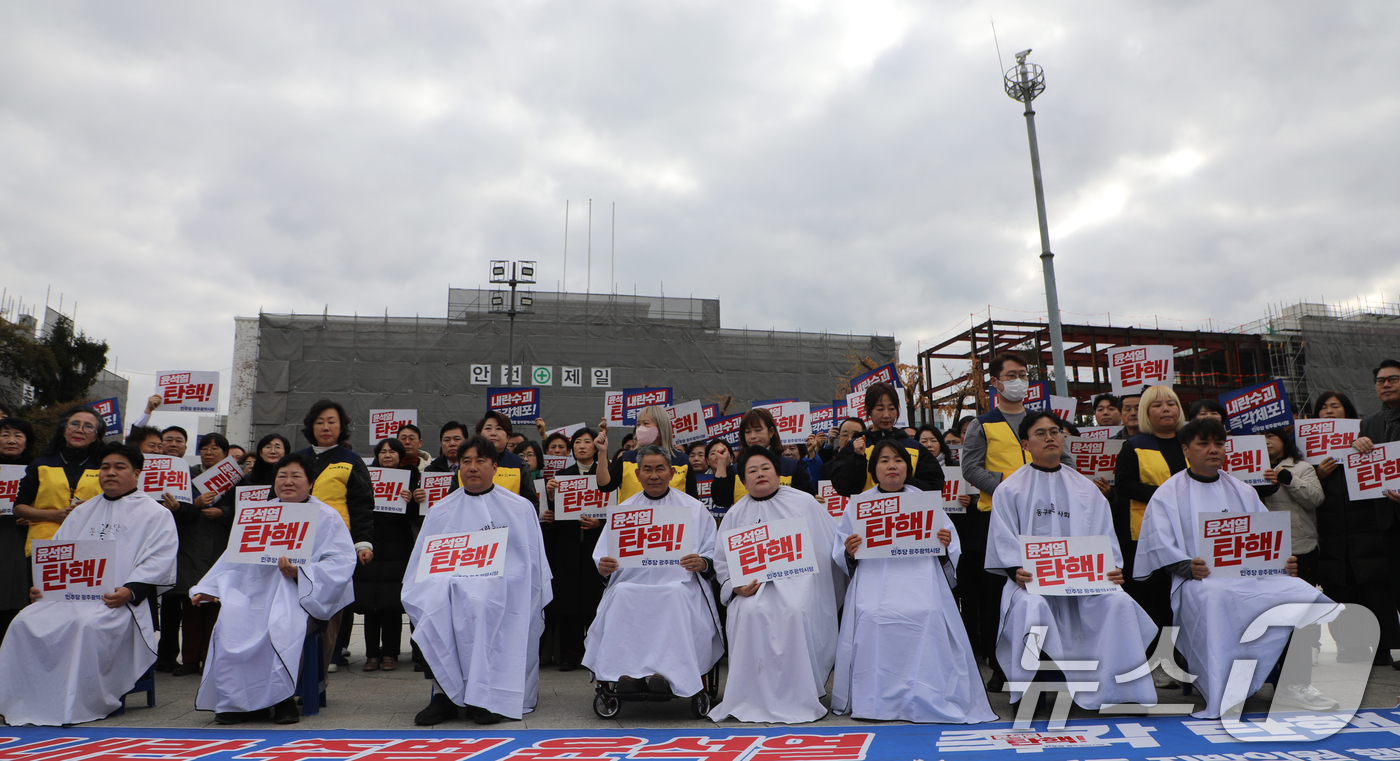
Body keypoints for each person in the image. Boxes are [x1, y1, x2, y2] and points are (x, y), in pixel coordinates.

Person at [1133, 418, 1341, 717]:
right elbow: (1158, 544)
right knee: (1217, 598)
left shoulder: (1243, 490)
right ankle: (1222, 686)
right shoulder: (1168, 493)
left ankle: (1294, 685)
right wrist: (1186, 565)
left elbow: (1264, 537)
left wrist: (1284, 560)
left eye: (1219, 443)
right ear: (1186, 450)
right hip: (1201, 582)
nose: (1213, 449)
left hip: (1253, 576)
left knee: (1299, 594)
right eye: (1203, 443)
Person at [985, 411, 1157, 711]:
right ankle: (1030, 694)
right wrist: (1016, 569)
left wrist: (1112, 568)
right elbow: (1003, 540)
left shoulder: (1087, 489)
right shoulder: (1009, 489)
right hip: (1031, 586)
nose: (1050, 437)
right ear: (1025, 443)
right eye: (1040, 433)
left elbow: (1104, 537)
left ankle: (1118, 693)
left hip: (1082, 586)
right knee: (1031, 607)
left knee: (1118, 603)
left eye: (1055, 431)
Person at [0, 443, 177, 726]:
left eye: (119, 467)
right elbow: (58, 552)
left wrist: (130, 590)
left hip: (117, 601)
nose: (110, 473)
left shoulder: (156, 513)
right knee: (24, 622)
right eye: (105, 467)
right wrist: (42, 586)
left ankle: (78, 700)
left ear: (137, 473)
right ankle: (22, 698)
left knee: (85, 624)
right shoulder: (82, 512)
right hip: (68, 597)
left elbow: (160, 560)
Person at [831, 440, 995, 723]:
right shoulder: (859, 505)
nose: (891, 466)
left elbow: (950, 548)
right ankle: (876, 701)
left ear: (907, 467)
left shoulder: (925, 501)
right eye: (883, 460)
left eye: (898, 460)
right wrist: (850, 551)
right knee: (871, 615)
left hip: (920, 579)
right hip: (874, 581)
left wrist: (944, 544)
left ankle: (925, 694)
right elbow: (839, 551)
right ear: (874, 469)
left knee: (928, 613)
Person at [191, 453, 356, 724]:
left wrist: (300, 573)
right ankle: (239, 701)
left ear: (311, 483)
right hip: (254, 593)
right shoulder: (260, 514)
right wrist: (211, 587)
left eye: (296, 476)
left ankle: (282, 699)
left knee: (280, 624)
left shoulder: (327, 516)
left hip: (299, 594)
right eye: (282, 476)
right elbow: (232, 559)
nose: (288, 482)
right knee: (231, 622)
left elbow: (341, 563)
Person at [405, 436, 551, 726]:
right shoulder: (441, 510)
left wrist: (493, 579)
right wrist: (451, 582)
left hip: (502, 585)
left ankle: (484, 698)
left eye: (480, 461)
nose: (472, 467)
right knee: (436, 601)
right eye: (466, 461)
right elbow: (423, 565)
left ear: (494, 466)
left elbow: (530, 563)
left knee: (483, 601)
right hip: (449, 586)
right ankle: (446, 695)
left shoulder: (519, 508)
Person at [709, 447, 844, 724]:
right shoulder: (736, 513)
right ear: (743, 480)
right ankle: (751, 696)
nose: (760, 474)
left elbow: (826, 549)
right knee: (747, 613)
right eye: (752, 471)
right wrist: (735, 587)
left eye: (765, 468)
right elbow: (722, 561)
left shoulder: (804, 503)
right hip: (752, 589)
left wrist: (806, 580)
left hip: (800, 584)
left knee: (794, 610)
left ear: (778, 472)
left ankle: (799, 694)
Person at [959, 354, 1071, 685]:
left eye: (1023, 374)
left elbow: (1063, 460)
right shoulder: (983, 423)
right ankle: (1000, 664)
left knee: (1043, 588)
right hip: (994, 517)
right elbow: (971, 468)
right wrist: (1009, 489)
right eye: (1011, 375)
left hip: (1043, 520)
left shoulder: (1042, 422)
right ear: (995, 382)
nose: (1019, 380)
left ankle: (1047, 658)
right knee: (996, 592)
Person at [585, 445, 723, 698]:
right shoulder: (624, 511)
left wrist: (703, 562)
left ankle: (668, 674)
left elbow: (714, 552)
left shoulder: (694, 509)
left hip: (680, 584)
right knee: (621, 593)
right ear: (637, 475)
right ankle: (625, 673)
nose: (654, 475)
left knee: (673, 595)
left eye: (660, 469)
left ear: (671, 472)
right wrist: (603, 567)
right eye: (647, 470)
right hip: (631, 582)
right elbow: (602, 557)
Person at [1310, 390, 1398, 665]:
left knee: (1376, 588)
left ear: (1347, 410)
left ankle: (1387, 648)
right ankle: (1352, 646)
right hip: (1332, 532)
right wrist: (1319, 475)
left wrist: (1364, 446)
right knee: (1341, 590)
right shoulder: (1308, 450)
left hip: (1368, 528)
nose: (1328, 411)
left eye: (1335, 406)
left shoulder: (1366, 437)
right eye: (1323, 407)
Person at [293, 399, 375, 674]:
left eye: (332, 422)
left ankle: (333, 652)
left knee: (333, 596)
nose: (326, 427)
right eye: (319, 422)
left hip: (335, 541)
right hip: (297, 540)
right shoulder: (298, 459)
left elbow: (362, 504)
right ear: (310, 427)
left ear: (342, 428)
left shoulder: (351, 460)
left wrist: (362, 543)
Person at [1114, 384, 1188, 666]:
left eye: (1171, 403)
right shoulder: (1133, 445)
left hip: (1186, 534)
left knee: (1181, 598)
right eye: (1157, 405)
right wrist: (1164, 495)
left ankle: (1183, 657)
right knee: (1152, 600)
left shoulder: (1191, 442)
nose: (1166, 408)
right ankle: (1156, 661)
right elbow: (1123, 484)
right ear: (1146, 412)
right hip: (1144, 535)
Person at [541, 428, 607, 672]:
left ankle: (594, 653)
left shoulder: (604, 474)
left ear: (595, 446)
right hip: (568, 546)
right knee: (568, 601)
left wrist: (600, 523)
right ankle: (570, 654)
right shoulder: (562, 476)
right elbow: (554, 514)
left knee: (594, 602)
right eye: (577, 442)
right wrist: (550, 497)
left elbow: (615, 509)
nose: (582, 446)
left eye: (587, 442)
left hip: (594, 545)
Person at [171, 433, 236, 677]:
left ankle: (210, 657)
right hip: (191, 546)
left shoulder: (237, 479)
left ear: (225, 453)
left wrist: (224, 512)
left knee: (215, 605)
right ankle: (189, 659)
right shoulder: (185, 476)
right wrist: (194, 505)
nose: (209, 452)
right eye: (205, 448)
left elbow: (245, 509)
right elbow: (175, 511)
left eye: (215, 448)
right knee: (191, 604)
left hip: (221, 547)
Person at [355, 438, 418, 673]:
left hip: (398, 550)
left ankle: (390, 653)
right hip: (372, 547)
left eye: (392, 451)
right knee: (371, 605)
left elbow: (413, 518)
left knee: (392, 605)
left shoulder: (409, 479)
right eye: (382, 451)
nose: (387, 455)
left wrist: (409, 502)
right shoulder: (366, 478)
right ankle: (372, 654)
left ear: (400, 456)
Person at [12, 406, 106, 557]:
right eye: (74, 424)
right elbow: (19, 508)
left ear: (96, 436)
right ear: (64, 430)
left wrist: (92, 507)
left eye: (88, 426)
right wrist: (53, 515)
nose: (80, 430)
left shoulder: (104, 467)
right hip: (45, 546)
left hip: (89, 545)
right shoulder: (41, 464)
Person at [833, 383, 943, 496]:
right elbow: (843, 488)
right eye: (880, 409)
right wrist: (857, 459)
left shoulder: (914, 446)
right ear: (868, 410)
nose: (886, 415)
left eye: (891, 408)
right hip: (868, 510)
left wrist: (900, 480)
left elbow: (934, 485)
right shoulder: (855, 446)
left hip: (906, 510)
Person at [709, 408, 816, 511]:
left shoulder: (791, 466)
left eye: (758, 430)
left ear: (771, 431)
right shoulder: (736, 470)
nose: (753, 436)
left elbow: (807, 497)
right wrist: (722, 464)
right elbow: (721, 500)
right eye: (747, 432)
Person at [595, 406, 689, 503]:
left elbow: (692, 500)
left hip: (672, 516)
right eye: (639, 424)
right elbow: (605, 486)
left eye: (645, 423)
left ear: (661, 428)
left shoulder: (682, 460)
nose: (640, 428)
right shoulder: (627, 458)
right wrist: (602, 452)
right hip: (634, 516)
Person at [0, 417, 36, 638]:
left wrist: (32, 514)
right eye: (5, 435)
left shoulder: (38, 469)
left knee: (18, 601)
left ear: (27, 441)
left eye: (18, 436)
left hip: (23, 541)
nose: (11, 441)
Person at [474, 412, 540, 503]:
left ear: (508, 437)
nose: (493, 433)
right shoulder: (466, 463)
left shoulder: (519, 465)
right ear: (479, 435)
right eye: (488, 428)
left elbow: (531, 504)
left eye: (499, 428)